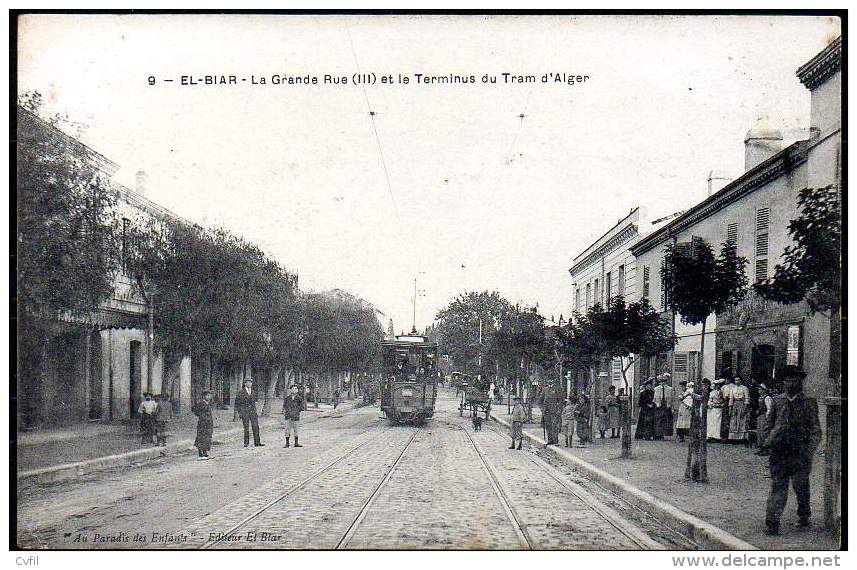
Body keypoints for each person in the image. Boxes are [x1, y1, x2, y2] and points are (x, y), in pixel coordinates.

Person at [762, 366, 821, 536]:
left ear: (800, 382)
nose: (790, 383)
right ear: (783, 382)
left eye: (794, 379)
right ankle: (772, 522)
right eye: (787, 380)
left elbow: (815, 430)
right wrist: (768, 442)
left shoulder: (809, 403)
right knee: (778, 487)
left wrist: (809, 450)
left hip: (800, 453)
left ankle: (804, 515)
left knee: (800, 485)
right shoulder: (777, 401)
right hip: (779, 452)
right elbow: (768, 425)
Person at [235, 379, 264, 448]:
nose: (249, 384)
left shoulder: (253, 392)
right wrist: (240, 413)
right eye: (248, 382)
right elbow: (237, 404)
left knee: (256, 427)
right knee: (246, 427)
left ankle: (257, 442)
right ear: (245, 384)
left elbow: (255, 402)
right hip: (245, 412)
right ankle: (246, 443)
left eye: (250, 383)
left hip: (253, 412)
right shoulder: (241, 392)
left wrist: (255, 410)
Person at [192, 391, 214, 460]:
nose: (209, 397)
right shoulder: (201, 403)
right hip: (203, 423)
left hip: (207, 423)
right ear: (204, 396)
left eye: (210, 395)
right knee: (202, 438)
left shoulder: (207, 403)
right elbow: (195, 410)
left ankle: (204, 453)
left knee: (206, 438)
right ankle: (201, 454)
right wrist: (202, 416)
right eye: (207, 395)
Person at [729, 376, 751, 443]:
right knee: (734, 420)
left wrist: (745, 407)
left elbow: (747, 398)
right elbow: (731, 398)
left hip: (742, 404)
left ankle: (742, 438)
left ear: (741, 380)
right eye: (736, 380)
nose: (737, 381)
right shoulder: (732, 388)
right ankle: (734, 438)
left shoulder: (744, 388)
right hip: (735, 404)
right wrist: (730, 407)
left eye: (738, 380)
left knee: (742, 419)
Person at [653, 374, 675, 440]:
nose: (663, 383)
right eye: (661, 381)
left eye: (664, 381)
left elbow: (672, 399)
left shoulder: (670, 389)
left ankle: (663, 433)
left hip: (666, 406)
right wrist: (656, 404)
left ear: (666, 382)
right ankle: (658, 434)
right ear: (660, 382)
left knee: (665, 420)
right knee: (658, 420)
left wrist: (672, 407)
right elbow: (654, 398)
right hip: (659, 406)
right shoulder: (656, 389)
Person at [755, 384, 774, 455]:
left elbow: (769, 408)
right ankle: (761, 448)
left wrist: (768, 417)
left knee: (764, 433)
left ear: (764, 390)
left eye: (760, 389)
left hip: (764, 416)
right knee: (760, 432)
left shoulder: (767, 398)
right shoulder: (761, 397)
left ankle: (766, 449)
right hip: (760, 416)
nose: (759, 391)